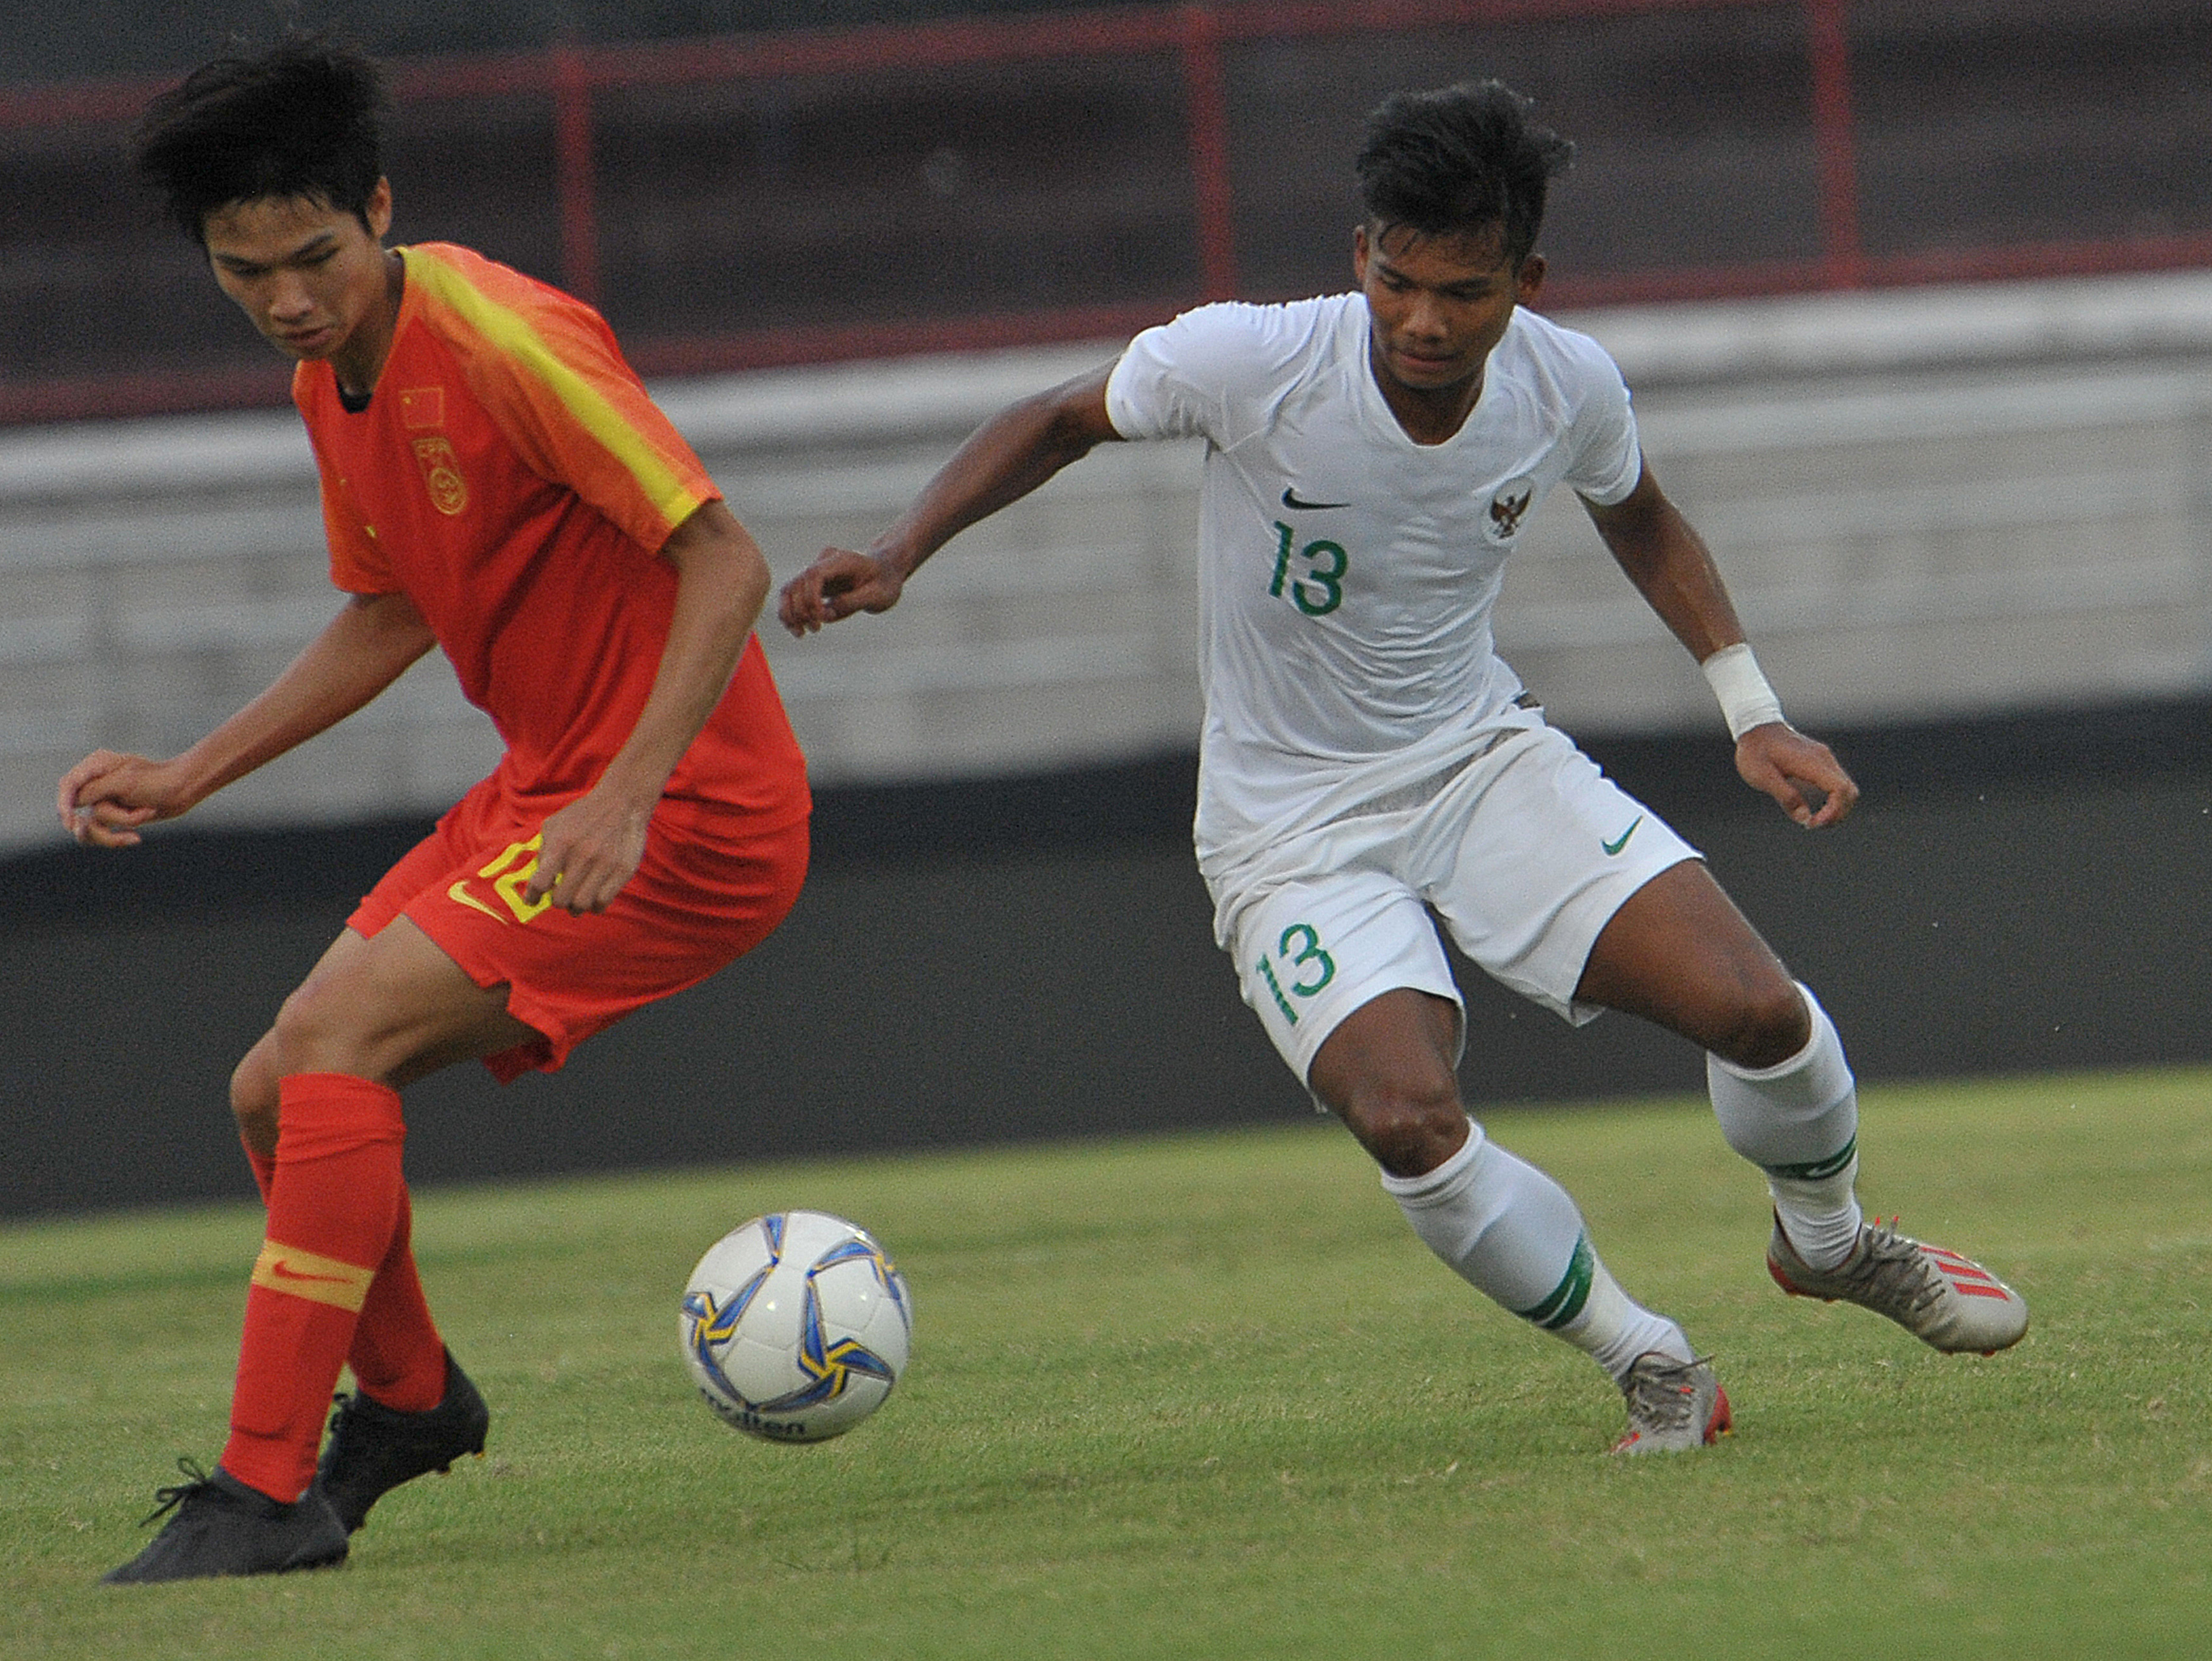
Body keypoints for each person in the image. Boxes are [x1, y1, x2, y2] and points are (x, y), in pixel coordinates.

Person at [778, 80, 2025, 1456]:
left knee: (1760, 1013)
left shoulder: (1566, 383)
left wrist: (1752, 709)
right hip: (1284, 830)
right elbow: (1060, 417)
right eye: (1398, 281)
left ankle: (1829, 1244)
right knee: (1406, 1117)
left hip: (1476, 763)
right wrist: (898, 550)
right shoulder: (1251, 360)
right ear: (1360, 255)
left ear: (1525, 283)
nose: (1423, 320)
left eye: (1463, 292)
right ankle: (1651, 1361)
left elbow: (1642, 517)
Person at [61, 36, 811, 1581]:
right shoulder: (326, 380)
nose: (287, 298)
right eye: (245, 270)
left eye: (314, 258)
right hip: (549, 792)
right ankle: (408, 1399)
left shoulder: (503, 339)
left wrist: (625, 793)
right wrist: (193, 770)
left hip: (684, 812)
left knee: (335, 1038)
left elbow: (726, 558)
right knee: (272, 1091)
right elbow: (393, 606)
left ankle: (265, 1488)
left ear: (381, 209)